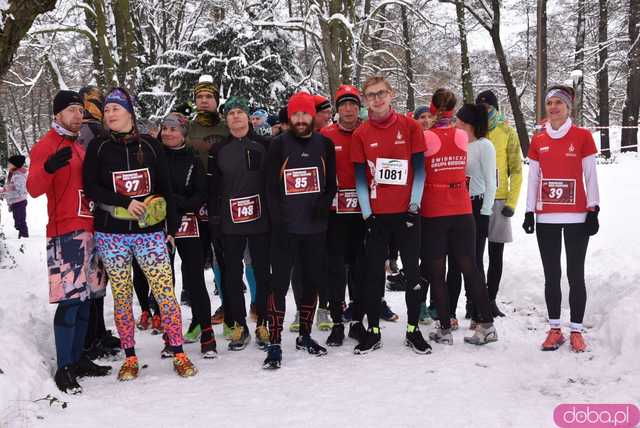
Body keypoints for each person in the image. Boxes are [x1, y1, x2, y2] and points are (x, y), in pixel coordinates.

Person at [83, 87, 197, 380]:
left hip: (149, 234)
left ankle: (178, 350)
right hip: (112, 234)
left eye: (116, 109)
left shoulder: (150, 145)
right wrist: (124, 202)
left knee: (165, 293)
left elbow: (166, 188)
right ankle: (130, 356)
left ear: (129, 113)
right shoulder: (97, 147)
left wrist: (170, 228)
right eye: (107, 110)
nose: (110, 114)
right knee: (121, 297)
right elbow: (91, 187)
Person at [26, 90, 110, 394]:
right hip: (65, 232)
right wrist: (48, 168)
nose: (78, 115)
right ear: (57, 114)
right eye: (72, 110)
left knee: (89, 298)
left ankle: (78, 359)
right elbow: (33, 189)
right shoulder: (46, 145)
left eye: (80, 109)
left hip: (91, 228)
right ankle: (64, 367)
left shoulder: (79, 147)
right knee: (71, 301)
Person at [351, 75, 428, 354]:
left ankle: (413, 330)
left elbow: (420, 171)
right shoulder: (361, 133)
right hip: (377, 217)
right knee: (373, 276)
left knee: (413, 274)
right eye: (370, 95)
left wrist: (414, 206)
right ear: (365, 99)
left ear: (391, 94)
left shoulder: (409, 127)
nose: (377, 99)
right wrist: (367, 215)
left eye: (381, 93)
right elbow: (360, 178)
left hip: (407, 214)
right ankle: (373, 331)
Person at [522, 85, 600, 353]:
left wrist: (594, 208)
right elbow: (533, 178)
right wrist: (529, 211)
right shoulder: (538, 140)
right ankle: (555, 329)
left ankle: (576, 331)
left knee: (575, 275)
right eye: (550, 103)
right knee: (551, 275)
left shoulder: (582, 136)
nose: (553, 107)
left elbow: (590, 174)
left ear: (568, 107)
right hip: (547, 218)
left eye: (559, 103)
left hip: (578, 216)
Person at [263, 91, 337, 369]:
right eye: (296, 114)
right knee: (279, 285)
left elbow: (332, 184)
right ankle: (274, 341)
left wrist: (324, 203)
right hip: (285, 229)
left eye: (305, 113)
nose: (301, 119)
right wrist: (278, 221)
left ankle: (305, 335)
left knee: (312, 282)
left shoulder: (324, 144)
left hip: (315, 229)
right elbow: (269, 187)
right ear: (289, 117)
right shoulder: (278, 145)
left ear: (313, 116)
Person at [420, 89, 498, 347]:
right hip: (463, 209)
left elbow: (420, 171)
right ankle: (486, 324)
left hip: (435, 209)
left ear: (433, 108)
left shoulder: (427, 137)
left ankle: (444, 328)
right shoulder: (462, 137)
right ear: (453, 111)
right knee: (471, 267)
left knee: (437, 270)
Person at [208, 96, 271, 351]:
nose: (235, 116)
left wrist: (274, 215)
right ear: (226, 119)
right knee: (232, 275)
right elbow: (212, 187)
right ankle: (239, 326)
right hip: (230, 221)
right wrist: (214, 218)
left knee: (261, 273)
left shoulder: (265, 145)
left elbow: (272, 184)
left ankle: (264, 322)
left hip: (260, 219)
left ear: (248, 116)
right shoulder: (219, 149)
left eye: (240, 112)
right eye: (231, 112)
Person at [160, 111, 217, 358]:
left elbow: (200, 194)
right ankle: (171, 334)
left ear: (183, 133)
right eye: (165, 129)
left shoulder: (193, 159)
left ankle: (206, 332)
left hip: (187, 223)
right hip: (159, 226)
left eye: (173, 129)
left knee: (195, 279)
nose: (168, 134)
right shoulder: (154, 155)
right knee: (164, 283)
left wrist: (177, 202)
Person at [76, 85, 121, 360]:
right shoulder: (89, 133)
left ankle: (97, 331)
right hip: (90, 212)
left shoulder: (96, 132)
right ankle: (91, 335)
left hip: (98, 212)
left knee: (98, 277)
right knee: (92, 276)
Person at [320, 84, 367, 346]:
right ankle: (337, 322)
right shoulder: (326, 135)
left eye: (352, 103)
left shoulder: (368, 131)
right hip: (335, 212)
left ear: (358, 107)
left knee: (360, 268)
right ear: (337, 109)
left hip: (363, 211)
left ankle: (358, 320)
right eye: (343, 104)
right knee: (336, 268)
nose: (348, 109)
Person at [446, 103, 497, 328]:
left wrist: (485, 213)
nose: (456, 125)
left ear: (472, 125)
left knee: (473, 263)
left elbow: (491, 182)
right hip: (456, 207)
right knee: (454, 264)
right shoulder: (457, 143)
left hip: (476, 208)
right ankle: (449, 313)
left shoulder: (484, 146)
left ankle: (478, 313)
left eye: (461, 122)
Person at [475, 90, 523, 317]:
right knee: (474, 255)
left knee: (496, 255)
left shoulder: (507, 132)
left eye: (488, 108)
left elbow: (516, 170)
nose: (485, 112)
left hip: (499, 200)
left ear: (495, 108)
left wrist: (511, 202)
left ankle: (491, 299)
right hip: (475, 199)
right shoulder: (470, 132)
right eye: (481, 108)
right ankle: (474, 301)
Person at [2, 155, 29, 238]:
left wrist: (7, 194)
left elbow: (20, 191)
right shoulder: (12, 174)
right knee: (17, 222)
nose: (8, 165)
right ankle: (22, 235)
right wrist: (3, 190)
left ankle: (24, 237)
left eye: (9, 163)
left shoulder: (19, 176)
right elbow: (10, 187)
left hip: (19, 202)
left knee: (20, 221)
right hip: (15, 202)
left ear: (15, 165)